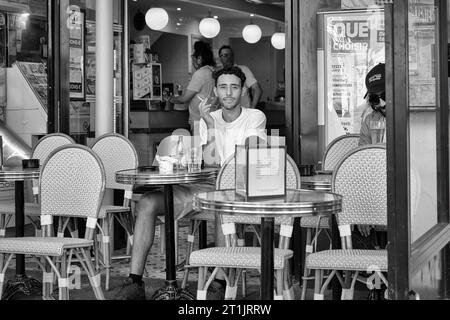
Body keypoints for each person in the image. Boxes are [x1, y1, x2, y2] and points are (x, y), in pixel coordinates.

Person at [113, 66, 267, 300]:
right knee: (146, 202)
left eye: (234, 87)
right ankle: (135, 282)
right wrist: (209, 124)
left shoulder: (255, 117)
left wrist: (213, 133)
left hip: (235, 191)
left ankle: (220, 282)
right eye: (223, 87)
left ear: (243, 90)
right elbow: (207, 161)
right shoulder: (207, 119)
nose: (228, 93)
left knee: (220, 205)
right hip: (201, 189)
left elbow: (246, 158)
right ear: (215, 90)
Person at [168, 41, 216, 134]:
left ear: (199, 58)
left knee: (198, 147)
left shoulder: (200, 73)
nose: (193, 60)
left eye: (194, 57)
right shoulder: (212, 71)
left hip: (199, 120)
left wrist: (170, 99)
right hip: (210, 119)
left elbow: (184, 99)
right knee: (209, 147)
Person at [218, 45, 263, 109]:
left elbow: (257, 90)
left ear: (233, 56)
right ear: (220, 58)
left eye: (230, 55)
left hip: (244, 113)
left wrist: (252, 109)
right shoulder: (219, 73)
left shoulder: (243, 70)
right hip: (226, 113)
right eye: (224, 55)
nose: (228, 58)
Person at [358, 63, 386, 147]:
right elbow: (363, 154)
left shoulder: (410, 121)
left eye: (385, 96)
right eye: (374, 99)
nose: (382, 103)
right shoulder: (369, 120)